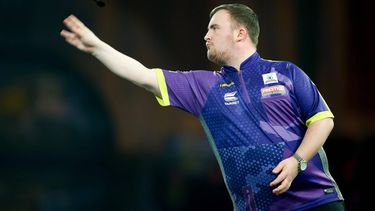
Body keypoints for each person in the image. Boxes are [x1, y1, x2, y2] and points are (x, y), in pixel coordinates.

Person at [60, 3, 345, 211]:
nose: (205, 36)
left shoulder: (287, 72)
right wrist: (97, 47)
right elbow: (144, 75)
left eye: (214, 28)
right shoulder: (203, 86)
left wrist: (298, 162)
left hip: (317, 202)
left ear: (240, 33)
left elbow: (323, 120)